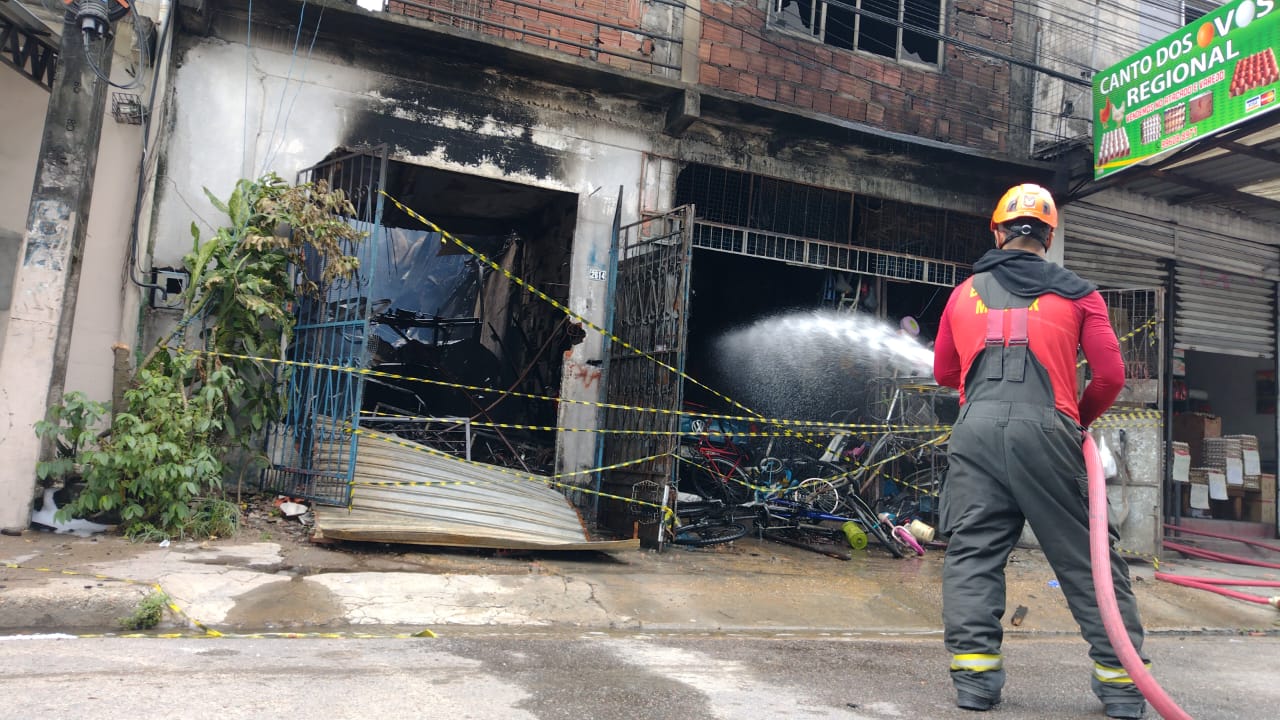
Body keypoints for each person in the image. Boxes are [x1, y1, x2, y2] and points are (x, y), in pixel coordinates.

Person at [932, 184, 1149, 719]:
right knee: (1086, 558)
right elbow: (1111, 377)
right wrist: (1076, 422)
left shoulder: (964, 293)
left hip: (975, 431)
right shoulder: (1080, 294)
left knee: (974, 552)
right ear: (1048, 237)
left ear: (998, 231)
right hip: (1049, 428)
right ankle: (1122, 688)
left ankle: (975, 683)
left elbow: (944, 373)